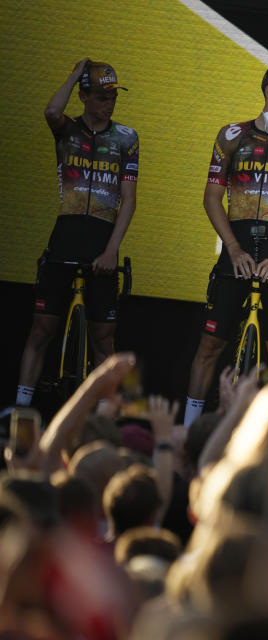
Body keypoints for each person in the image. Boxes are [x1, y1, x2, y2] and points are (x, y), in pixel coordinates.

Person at [183, 63, 268, 426]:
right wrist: (233, 248)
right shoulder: (232, 135)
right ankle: (188, 425)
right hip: (236, 247)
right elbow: (212, 197)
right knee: (210, 345)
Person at [16, 59, 139, 407]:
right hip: (65, 236)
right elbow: (51, 110)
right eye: (101, 97)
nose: (109, 103)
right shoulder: (67, 130)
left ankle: (107, 416)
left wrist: (113, 249)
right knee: (41, 330)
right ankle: (21, 410)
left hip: (103, 241)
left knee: (105, 340)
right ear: (83, 96)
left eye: (113, 97)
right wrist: (73, 73)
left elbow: (128, 200)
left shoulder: (127, 138)